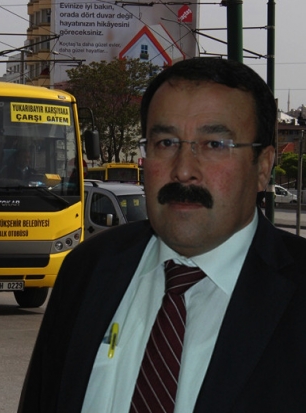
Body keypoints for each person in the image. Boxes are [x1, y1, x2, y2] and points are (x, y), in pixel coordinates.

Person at [18, 57, 306, 413]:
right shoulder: (88, 269)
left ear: (262, 166)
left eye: (214, 145)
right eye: (166, 143)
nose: (183, 170)